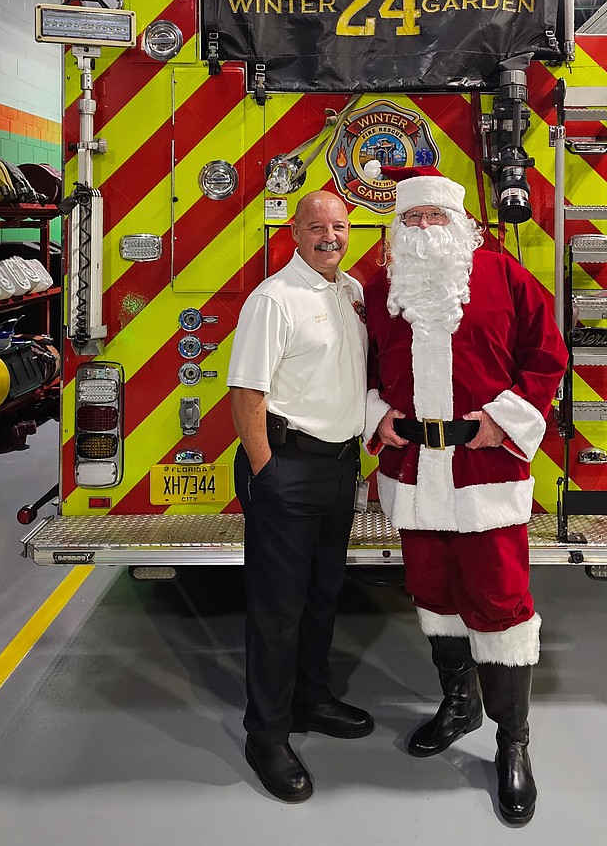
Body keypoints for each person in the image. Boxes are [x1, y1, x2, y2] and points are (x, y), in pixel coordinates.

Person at [363, 165, 568, 826]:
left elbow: (548, 356)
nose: (424, 229)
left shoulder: (504, 276)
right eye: (413, 219)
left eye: (435, 218)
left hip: (486, 474)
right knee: (432, 590)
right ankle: (460, 703)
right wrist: (375, 414)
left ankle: (514, 742)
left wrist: (500, 421)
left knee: (502, 604)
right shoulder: (378, 286)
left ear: (459, 225)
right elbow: (357, 366)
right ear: (399, 226)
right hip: (415, 473)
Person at [227, 190, 373, 804]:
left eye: (339, 226)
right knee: (277, 609)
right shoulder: (273, 300)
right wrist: (266, 472)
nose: (330, 236)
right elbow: (246, 393)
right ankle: (266, 734)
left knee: (320, 596)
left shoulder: (348, 294)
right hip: (285, 468)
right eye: (317, 227)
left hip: (338, 469)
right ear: (294, 235)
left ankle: (311, 700)